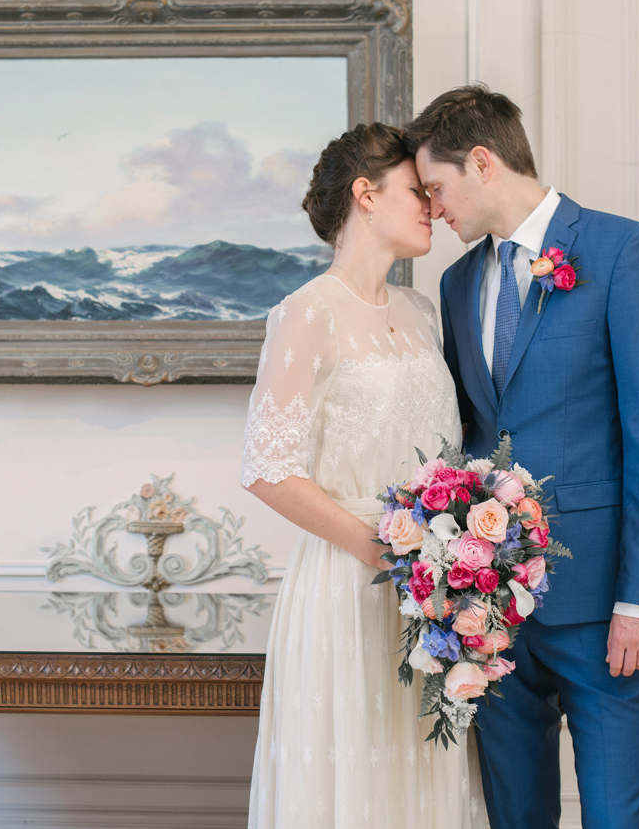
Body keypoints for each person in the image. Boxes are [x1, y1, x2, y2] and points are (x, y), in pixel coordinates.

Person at [407, 85, 639, 829]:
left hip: (601, 604)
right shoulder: (459, 281)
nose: (433, 211)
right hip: (491, 610)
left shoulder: (623, 250)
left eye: (437, 187)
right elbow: (470, 436)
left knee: (617, 819)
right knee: (515, 817)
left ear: (484, 162)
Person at [240, 122, 486, 829]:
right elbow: (267, 468)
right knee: (350, 775)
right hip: (348, 586)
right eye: (416, 192)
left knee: (422, 763)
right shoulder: (305, 313)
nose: (433, 208)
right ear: (365, 194)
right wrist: (377, 549)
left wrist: (446, 562)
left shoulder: (421, 312)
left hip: (430, 592)